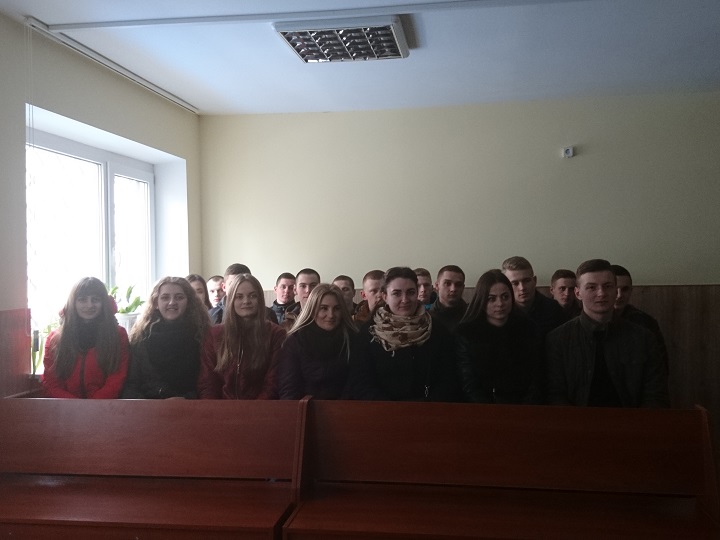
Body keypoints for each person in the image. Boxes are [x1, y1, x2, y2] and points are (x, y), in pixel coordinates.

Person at [546, 259, 669, 408]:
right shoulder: (557, 340)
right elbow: (555, 394)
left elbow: (655, 394)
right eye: (591, 287)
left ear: (615, 290)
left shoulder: (643, 338)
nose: (601, 293)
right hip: (575, 421)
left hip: (633, 420)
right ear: (578, 293)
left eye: (608, 286)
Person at [347, 267, 461, 402]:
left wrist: (424, 407)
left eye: (411, 292)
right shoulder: (369, 333)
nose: (405, 299)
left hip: (429, 410)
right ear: (385, 296)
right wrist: (392, 409)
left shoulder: (437, 330)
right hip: (381, 410)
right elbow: (360, 381)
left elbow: (449, 379)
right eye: (396, 293)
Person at [455, 270, 542, 404]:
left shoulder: (528, 328)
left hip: (524, 406)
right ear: (482, 300)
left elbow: (537, 376)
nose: (500, 303)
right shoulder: (466, 333)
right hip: (482, 407)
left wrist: (525, 408)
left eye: (505, 297)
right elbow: (468, 382)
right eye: (492, 299)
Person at [198, 274, 286, 399]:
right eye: (239, 297)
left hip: (262, 407)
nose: (246, 301)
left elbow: (272, 383)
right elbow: (208, 382)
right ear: (231, 300)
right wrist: (214, 409)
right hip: (222, 408)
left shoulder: (275, 334)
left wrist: (253, 409)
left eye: (252, 296)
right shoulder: (214, 334)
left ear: (260, 299)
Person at [122, 277, 211, 399]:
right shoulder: (140, 337)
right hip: (149, 405)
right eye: (165, 297)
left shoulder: (203, 336)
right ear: (155, 303)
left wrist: (186, 400)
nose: (172, 302)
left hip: (190, 405)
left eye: (179, 297)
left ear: (189, 302)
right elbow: (131, 384)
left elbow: (207, 383)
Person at [42, 276, 129, 398]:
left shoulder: (118, 335)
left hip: (106, 406)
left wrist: (93, 405)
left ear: (104, 303)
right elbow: (51, 383)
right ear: (73, 303)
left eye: (95, 299)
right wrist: (75, 406)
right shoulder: (54, 339)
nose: (89, 305)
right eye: (82, 300)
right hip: (64, 407)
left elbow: (116, 378)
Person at [278, 284, 357, 399]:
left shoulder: (352, 339)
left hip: (346, 407)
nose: (331, 315)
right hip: (306, 407)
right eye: (324, 308)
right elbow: (289, 389)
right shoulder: (295, 341)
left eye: (336, 309)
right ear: (312, 309)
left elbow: (357, 384)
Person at [611, 264, 668, 366]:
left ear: (631, 291)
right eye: (614, 289)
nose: (619, 295)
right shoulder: (592, 321)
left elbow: (660, 363)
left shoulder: (646, 322)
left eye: (625, 289)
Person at [502, 256, 567, 339]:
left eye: (526, 281)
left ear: (535, 281)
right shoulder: (500, 310)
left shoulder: (554, 309)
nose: (522, 288)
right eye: (515, 283)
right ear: (506, 285)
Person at [209, 263, 278, 325]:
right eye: (233, 284)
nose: (238, 288)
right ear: (224, 287)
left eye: (244, 283)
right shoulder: (212, 316)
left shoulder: (268, 314)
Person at [428, 265, 468, 332]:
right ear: (437, 286)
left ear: (463, 288)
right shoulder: (427, 319)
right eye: (447, 283)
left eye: (458, 284)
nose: (453, 289)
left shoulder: (472, 316)